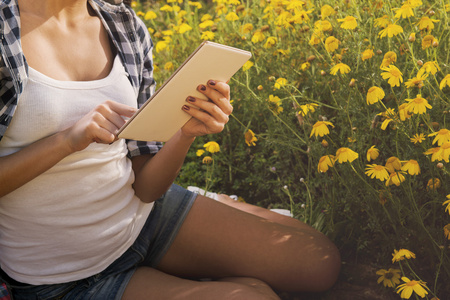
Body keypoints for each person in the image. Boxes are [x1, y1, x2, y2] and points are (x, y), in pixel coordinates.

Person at [0, 0, 341, 299]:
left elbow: (147, 187)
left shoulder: (124, 26)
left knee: (321, 263)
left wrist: (185, 134)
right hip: (66, 281)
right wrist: (66, 142)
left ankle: (195, 230)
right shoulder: (5, 32)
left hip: (141, 216)